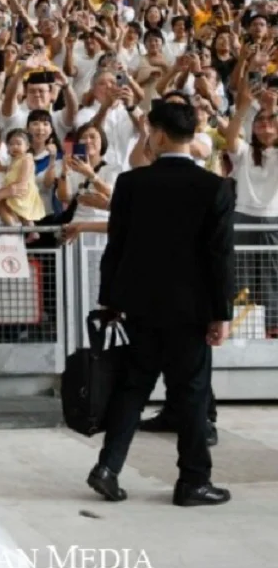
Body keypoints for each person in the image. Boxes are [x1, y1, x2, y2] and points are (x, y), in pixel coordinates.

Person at [89, 96, 235, 508]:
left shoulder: (132, 183)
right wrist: (221, 313)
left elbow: (116, 247)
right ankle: (192, 482)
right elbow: (220, 256)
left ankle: (107, 468)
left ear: (158, 134)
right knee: (190, 395)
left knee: (133, 389)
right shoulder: (214, 187)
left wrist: (110, 299)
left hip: (138, 306)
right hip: (191, 312)